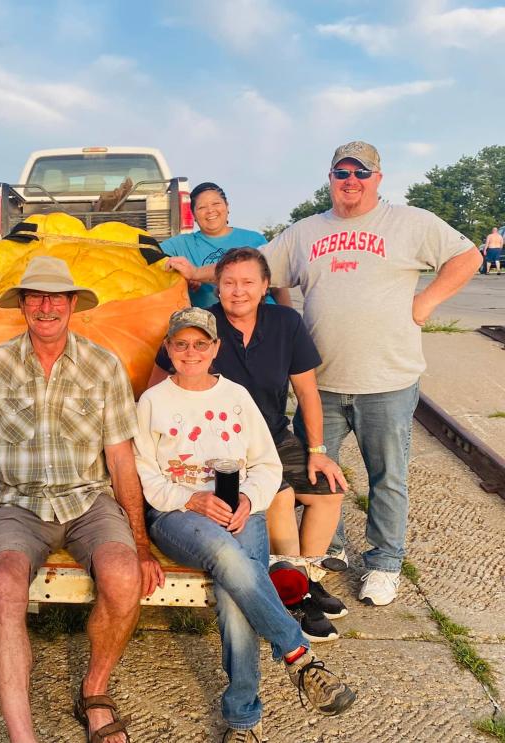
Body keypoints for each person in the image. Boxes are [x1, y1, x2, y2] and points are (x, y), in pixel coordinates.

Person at [166, 142, 483, 606]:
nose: (350, 180)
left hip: (386, 379)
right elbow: (254, 268)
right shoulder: (307, 231)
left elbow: (469, 257)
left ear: (378, 177)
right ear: (330, 177)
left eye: (361, 172)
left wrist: (425, 303)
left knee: (387, 476)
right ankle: (320, 556)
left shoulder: (410, 222)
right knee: (315, 480)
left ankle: (384, 563)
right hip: (323, 383)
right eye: (341, 172)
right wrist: (197, 271)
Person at [0, 256, 164, 743]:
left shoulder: (102, 364)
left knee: (122, 576)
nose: (46, 307)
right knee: (4, 583)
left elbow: (119, 460)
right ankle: (22, 736)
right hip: (20, 504)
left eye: (57, 297)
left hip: (88, 501)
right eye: (36, 297)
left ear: (73, 305)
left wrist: (139, 543)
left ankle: (94, 691)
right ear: (23, 305)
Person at [134, 307, 356, 742]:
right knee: (222, 554)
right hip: (178, 514)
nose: (191, 352)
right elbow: (145, 474)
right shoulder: (153, 402)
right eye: (181, 344)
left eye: (201, 344)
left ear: (216, 349)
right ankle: (296, 652)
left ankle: (243, 721)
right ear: (168, 349)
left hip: (242, 510)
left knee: (234, 598)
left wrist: (251, 498)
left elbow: (266, 463)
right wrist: (191, 498)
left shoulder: (235, 396)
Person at [149, 247, 349, 641]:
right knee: (276, 495)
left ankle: (301, 579)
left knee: (329, 490)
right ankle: (294, 596)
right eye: (228, 283)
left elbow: (307, 392)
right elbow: (157, 388)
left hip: (274, 433)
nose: (237, 291)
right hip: (226, 448)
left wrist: (318, 451)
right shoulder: (202, 328)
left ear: (263, 287)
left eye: (247, 283)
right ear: (217, 287)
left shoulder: (285, 322)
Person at [160, 182, 291, 308]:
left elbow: (278, 287)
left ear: (227, 206)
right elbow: (150, 257)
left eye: (216, 203)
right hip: (213, 324)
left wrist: (290, 317)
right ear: (193, 214)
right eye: (201, 207)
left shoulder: (255, 239)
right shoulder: (181, 244)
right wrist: (180, 278)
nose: (210, 210)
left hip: (263, 315)